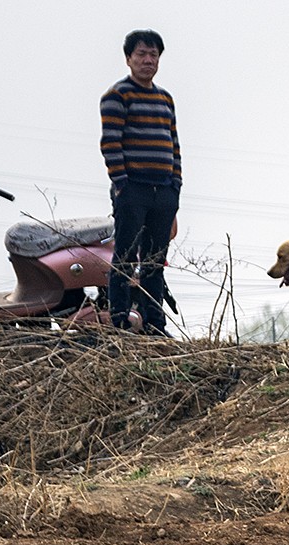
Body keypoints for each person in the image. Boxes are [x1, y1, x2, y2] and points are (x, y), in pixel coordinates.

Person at [100, 29, 181, 334]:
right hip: (133, 189)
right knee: (124, 258)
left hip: (164, 190)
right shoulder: (117, 95)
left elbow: (174, 145)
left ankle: (155, 325)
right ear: (128, 58)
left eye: (153, 55)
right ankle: (120, 320)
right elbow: (110, 143)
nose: (148, 60)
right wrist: (122, 184)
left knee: (155, 262)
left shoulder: (165, 99)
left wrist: (176, 185)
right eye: (142, 54)